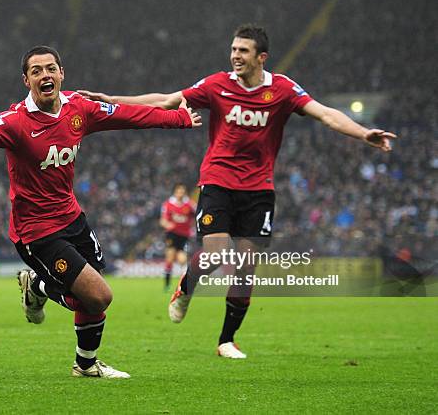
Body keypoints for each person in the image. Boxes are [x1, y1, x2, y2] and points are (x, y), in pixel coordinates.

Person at [79, 24, 397, 359]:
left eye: (242, 51)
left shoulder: (283, 90)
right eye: (233, 50)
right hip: (218, 182)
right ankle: (186, 288)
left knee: (246, 267)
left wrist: (364, 134)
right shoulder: (217, 85)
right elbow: (167, 100)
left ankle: (226, 341)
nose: (235, 56)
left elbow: (326, 114)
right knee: (216, 254)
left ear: (262, 57)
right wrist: (114, 101)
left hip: (259, 190)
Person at [0, 45, 201, 378]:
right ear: (26, 80)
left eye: (50, 69)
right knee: (98, 297)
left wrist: (178, 118)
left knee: (91, 299)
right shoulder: (15, 121)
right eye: (36, 71)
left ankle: (85, 364)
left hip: (72, 218)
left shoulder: (78, 108)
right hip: (36, 231)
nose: (44, 75)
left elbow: (126, 116)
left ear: (61, 74)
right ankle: (39, 287)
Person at [160, 184, 195, 291]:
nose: (180, 193)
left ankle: (184, 284)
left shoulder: (189, 204)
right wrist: (167, 224)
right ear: (175, 192)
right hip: (172, 234)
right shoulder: (168, 204)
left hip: (184, 235)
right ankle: (167, 285)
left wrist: (193, 228)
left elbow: (197, 214)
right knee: (170, 258)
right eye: (179, 191)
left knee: (182, 259)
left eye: (182, 191)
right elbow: (163, 220)